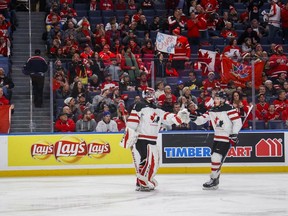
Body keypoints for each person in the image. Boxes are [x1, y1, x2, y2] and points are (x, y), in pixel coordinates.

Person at [120, 87, 190, 191]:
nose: (150, 95)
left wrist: (179, 117)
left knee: (151, 161)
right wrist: (129, 136)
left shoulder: (157, 109)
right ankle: (142, 183)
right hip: (142, 138)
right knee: (147, 160)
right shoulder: (139, 106)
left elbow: (168, 118)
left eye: (152, 93)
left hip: (152, 139)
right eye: (148, 93)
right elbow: (132, 123)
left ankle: (142, 181)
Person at [189, 91, 242, 190]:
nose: (215, 100)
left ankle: (213, 179)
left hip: (226, 137)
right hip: (217, 137)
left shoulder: (229, 109)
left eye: (218, 98)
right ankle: (215, 180)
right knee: (215, 158)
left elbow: (237, 122)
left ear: (223, 100)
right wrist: (194, 118)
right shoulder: (212, 110)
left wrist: (234, 134)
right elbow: (202, 119)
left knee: (216, 157)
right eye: (215, 98)